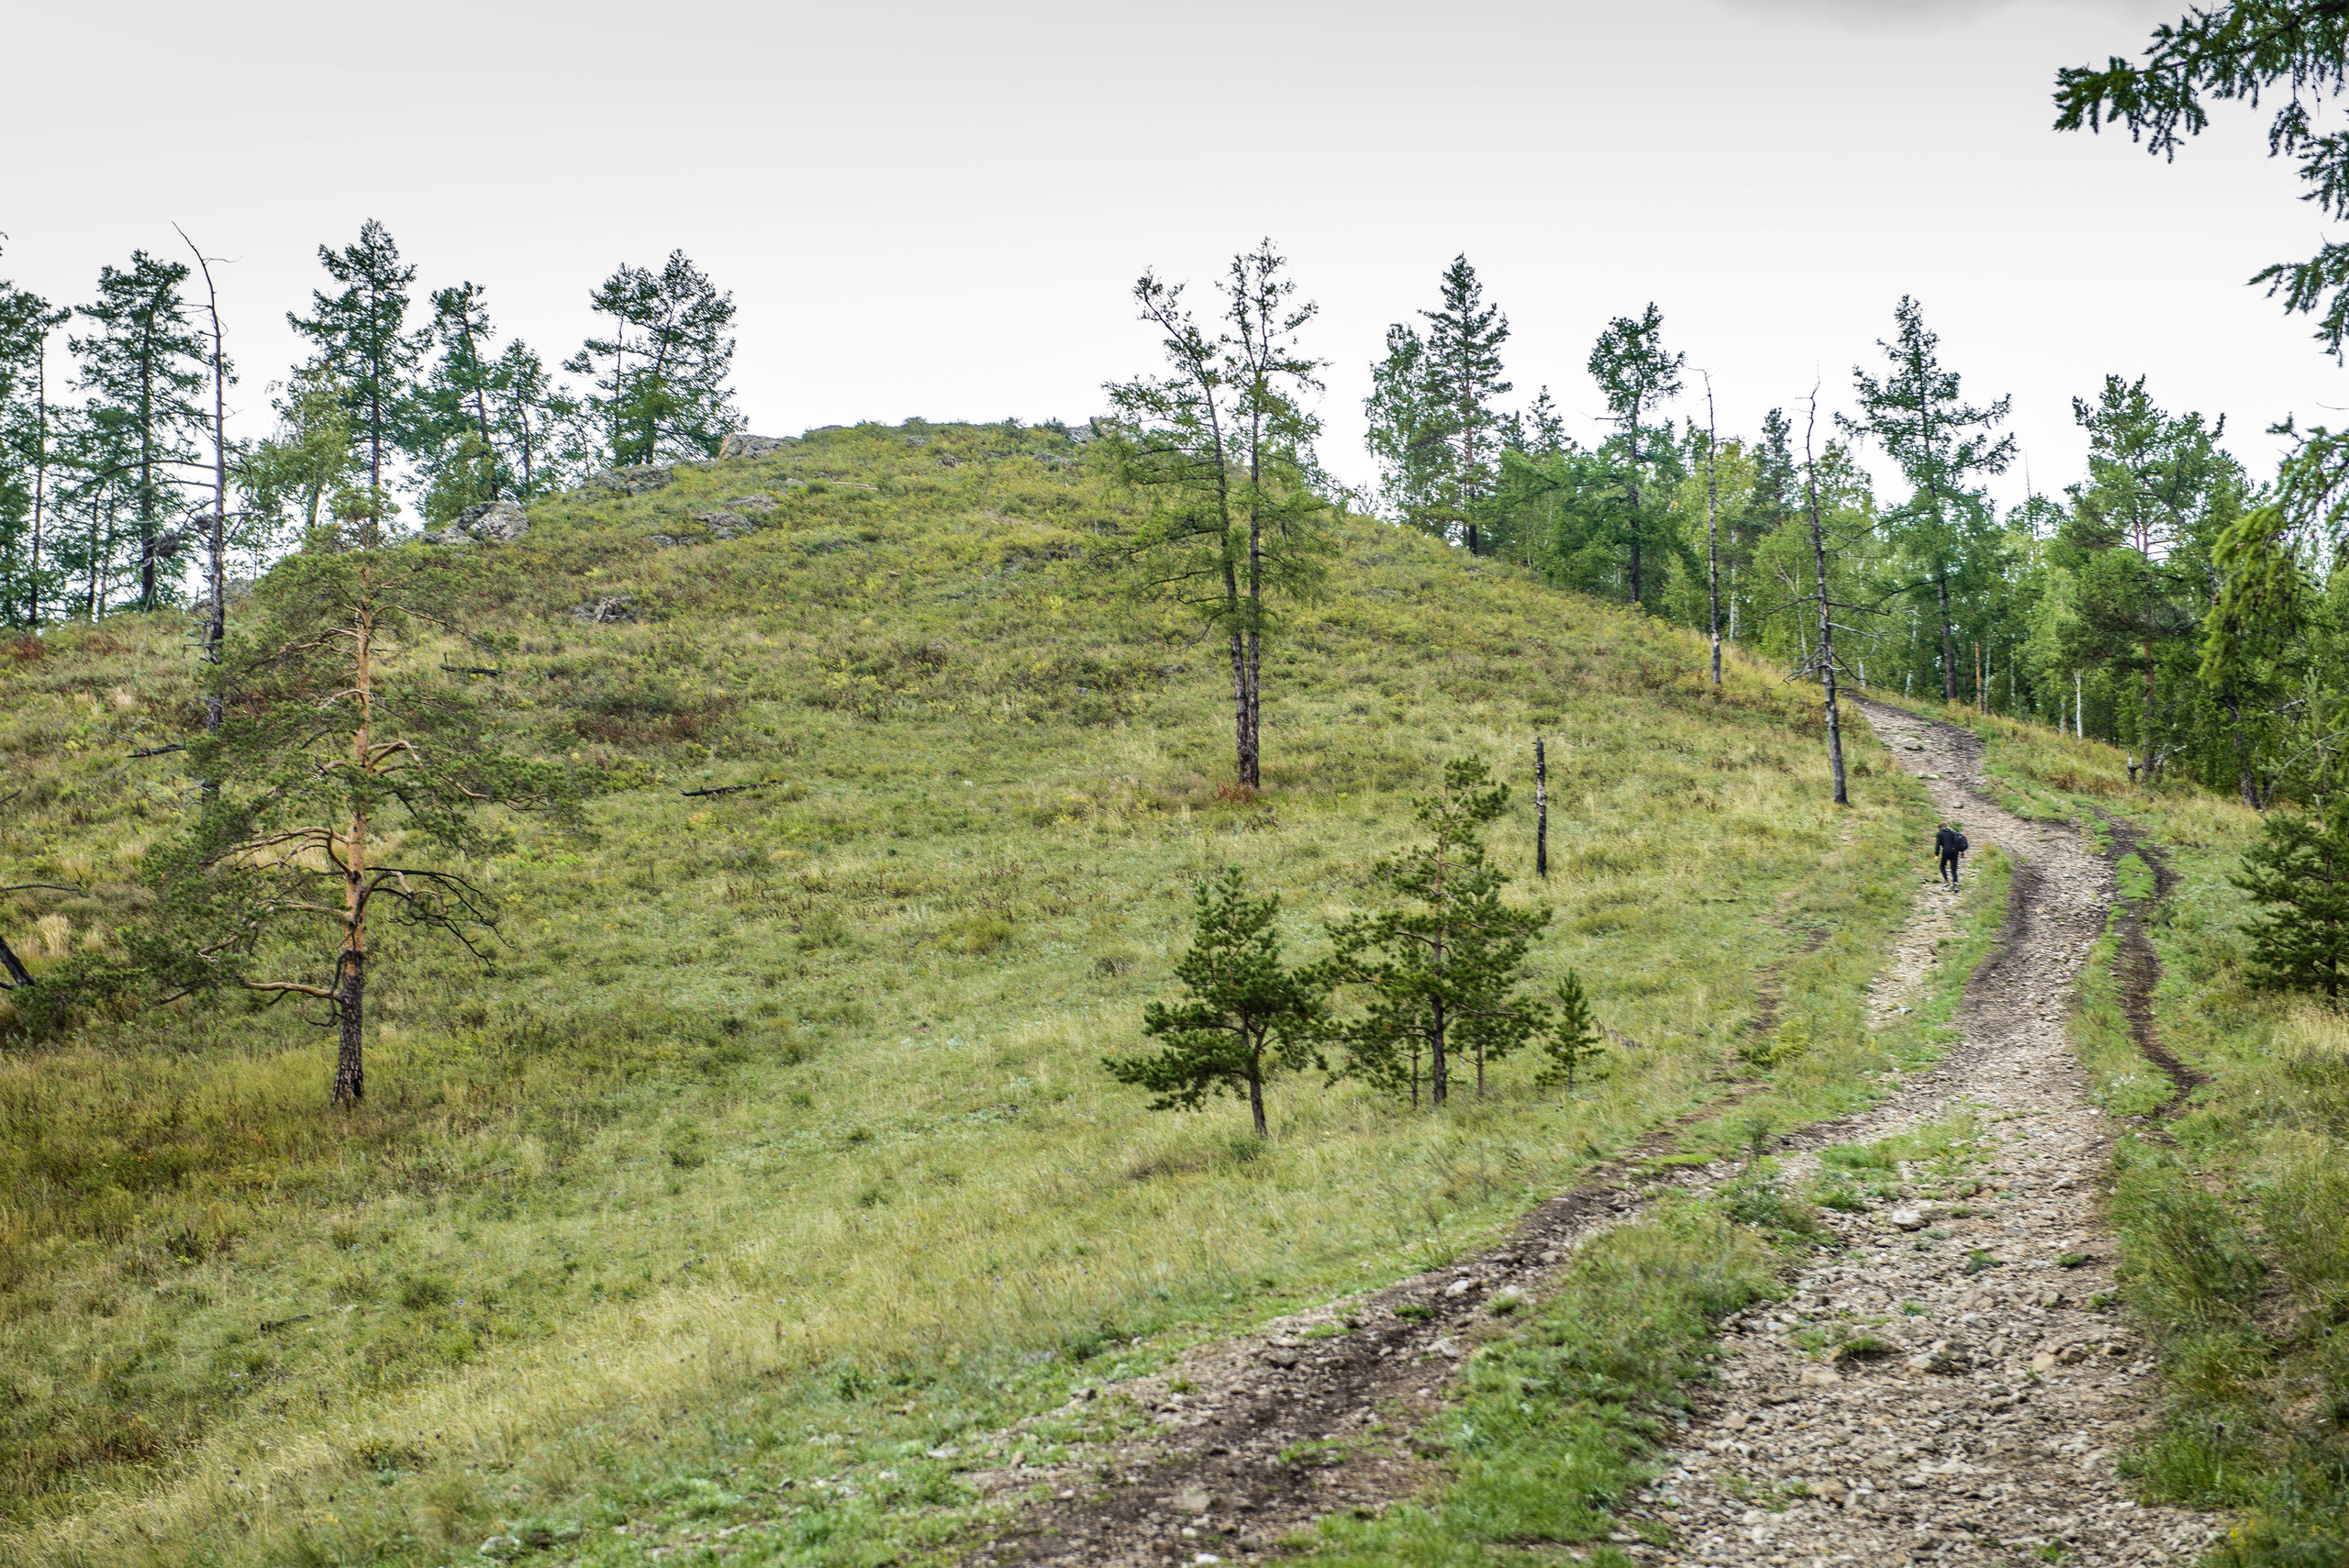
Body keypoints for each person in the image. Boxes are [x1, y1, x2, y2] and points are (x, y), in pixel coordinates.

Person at [1934, 821, 1967, 888]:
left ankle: (1946, 881)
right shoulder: (1953, 832)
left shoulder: (1939, 834)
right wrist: (1962, 851)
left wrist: (1936, 855)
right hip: (1955, 852)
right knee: (1954, 869)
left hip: (1946, 851)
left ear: (1939, 828)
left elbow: (1937, 845)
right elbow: (1958, 842)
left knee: (1942, 866)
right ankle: (1955, 883)